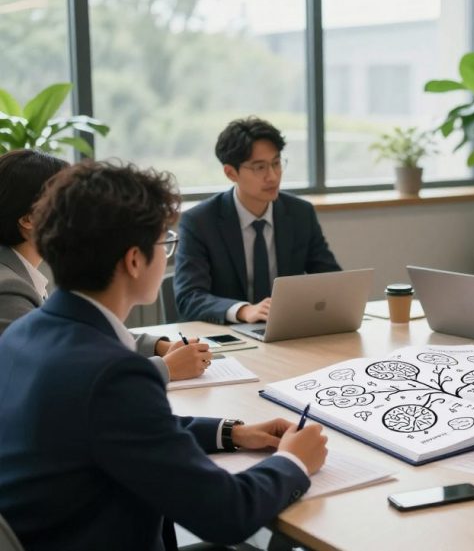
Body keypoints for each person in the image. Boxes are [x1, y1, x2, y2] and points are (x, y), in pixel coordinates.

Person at [0, 161, 328, 550]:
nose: (168, 256)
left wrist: (233, 433)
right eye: (164, 242)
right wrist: (293, 462)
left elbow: (121, 429)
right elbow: (227, 514)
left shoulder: (25, 332)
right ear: (134, 259)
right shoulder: (113, 374)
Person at [0, 149, 207, 383]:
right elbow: (59, 375)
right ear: (28, 219)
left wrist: (158, 346)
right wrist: (164, 367)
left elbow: (80, 335)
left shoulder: (20, 272)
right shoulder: (8, 289)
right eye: (63, 203)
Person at [175, 117, 340, 324]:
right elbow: (189, 297)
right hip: (229, 337)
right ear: (230, 172)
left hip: (287, 331)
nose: (272, 176)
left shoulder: (300, 213)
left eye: (276, 163)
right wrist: (243, 311)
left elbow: (332, 280)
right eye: (259, 167)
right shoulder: (199, 222)